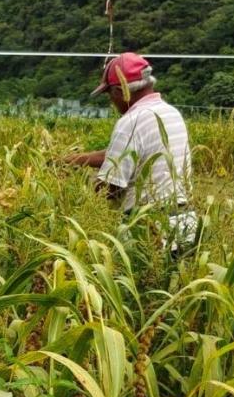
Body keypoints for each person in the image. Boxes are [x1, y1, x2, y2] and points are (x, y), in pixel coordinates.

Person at [67, 52, 196, 251]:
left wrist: (74, 201)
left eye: (109, 94)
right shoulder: (171, 113)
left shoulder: (131, 122)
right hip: (186, 226)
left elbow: (112, 187)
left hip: (149, 232)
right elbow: (118, 155)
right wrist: (72, 160)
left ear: (120, 91)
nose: (111, 101)